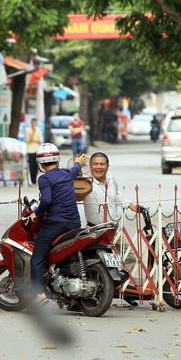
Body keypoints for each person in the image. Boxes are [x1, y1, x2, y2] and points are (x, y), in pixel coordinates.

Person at [29, 143, 87, 304]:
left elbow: (46, 200)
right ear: (57, 159)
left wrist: (37, 213)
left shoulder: (44, 178)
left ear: (40, 163)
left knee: (37, 258)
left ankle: (39, 294)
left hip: (55, 224)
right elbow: (76, 169)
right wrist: (79, 161)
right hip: (75, 223)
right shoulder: (67, 174)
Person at [83, 152, 140, 226]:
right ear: (90, 166)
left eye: (102, 164)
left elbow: (116, 195)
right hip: (94, 230)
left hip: (114, 227)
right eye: (95, 164)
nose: (98, 167)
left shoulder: (110, 177)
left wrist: (130, 205)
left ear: (107, 166)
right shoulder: (85, 182)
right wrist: (78, 165)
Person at [26, 118, 42, 186]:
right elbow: (29, 140)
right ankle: (31, 181)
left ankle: (35, 181)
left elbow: (39, 140)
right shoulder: (28, 130)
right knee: (31, 166)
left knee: (36, 166)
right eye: (33, 122)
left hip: (36, 149)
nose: (34, 124)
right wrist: (33, 132)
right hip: (30, 150)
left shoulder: (38, 130)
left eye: (36, 122)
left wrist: (34, 139)